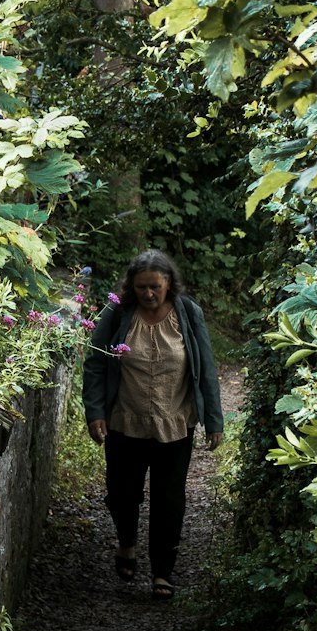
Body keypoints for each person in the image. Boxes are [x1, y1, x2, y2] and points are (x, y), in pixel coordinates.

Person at [82, 249, 223, 600]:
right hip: (124, 420)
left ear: (169, 284)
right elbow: (95, 362)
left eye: (155, 287)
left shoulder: (188, 314)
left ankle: (162, 572)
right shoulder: (118, 314)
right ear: (132, 286)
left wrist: (214, 419)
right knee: (121, 493)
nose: (148, 294)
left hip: (175, 422)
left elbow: (205, 367)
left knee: (169, 499)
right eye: (142, 287)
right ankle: (127, 543)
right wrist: (95, 411)